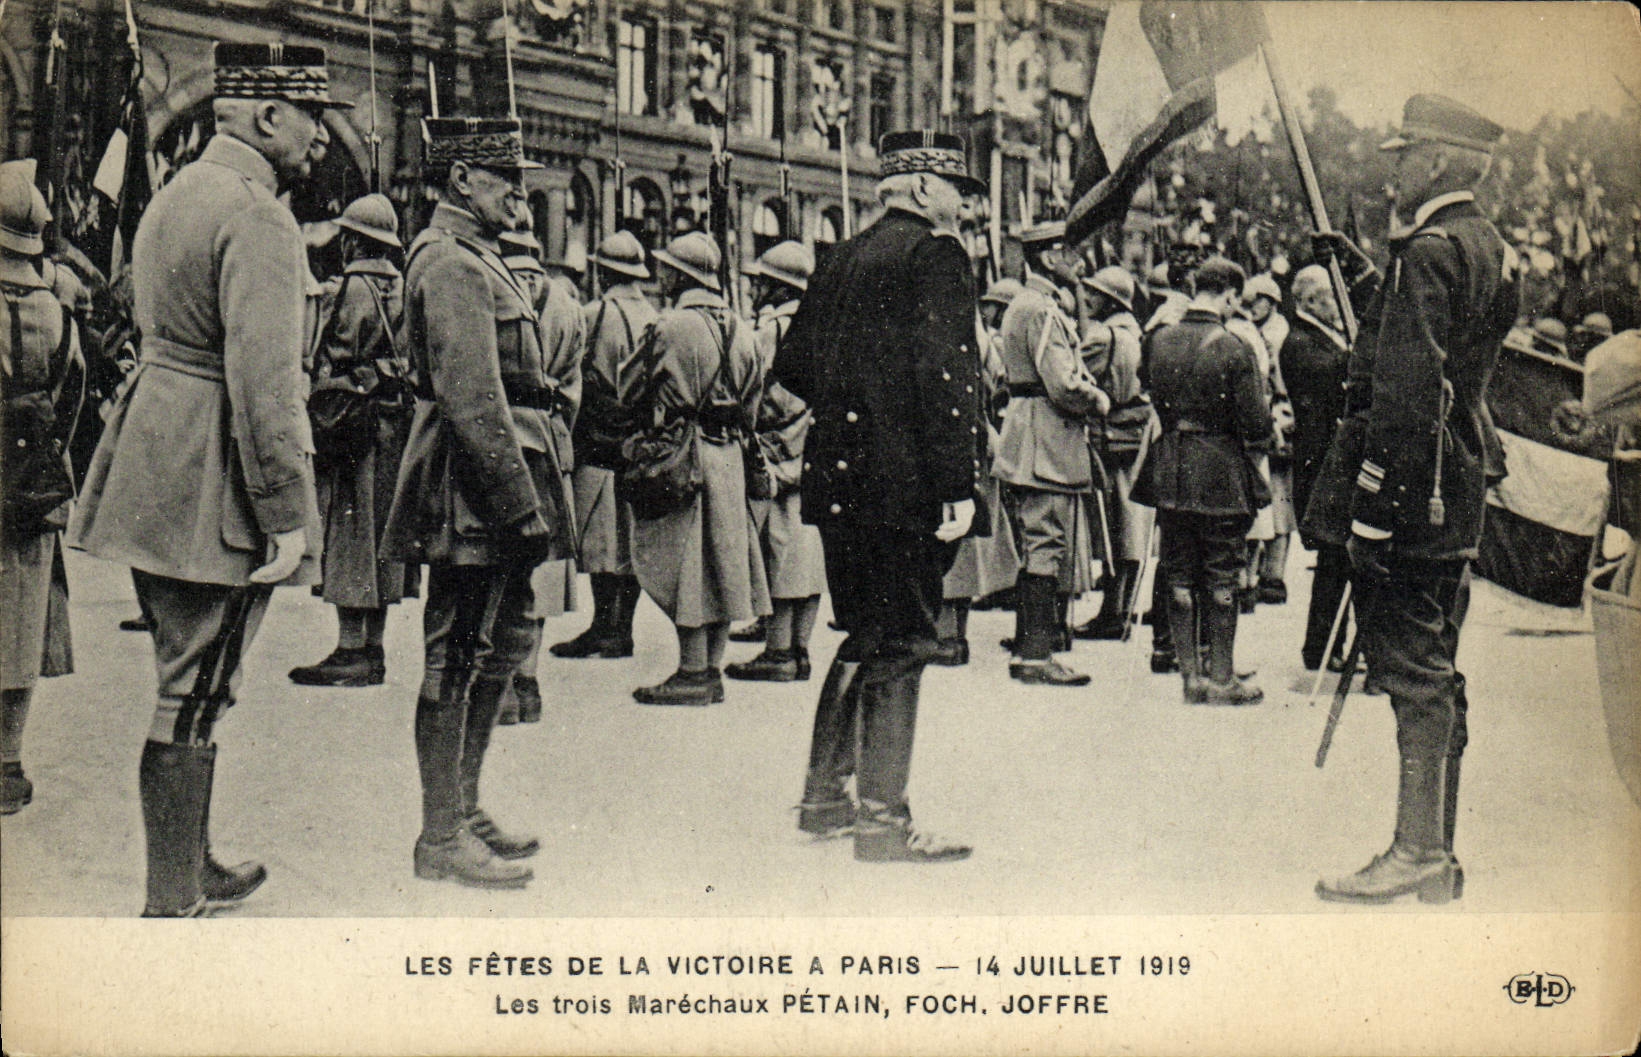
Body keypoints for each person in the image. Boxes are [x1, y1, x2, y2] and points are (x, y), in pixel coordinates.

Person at [69, 43, 346, 915]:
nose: (318, 142)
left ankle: (191, 861)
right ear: (269, 116)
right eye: (309, 120)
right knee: (198, 687)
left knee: (181, 671)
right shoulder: (258, 216)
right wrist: (287, 515)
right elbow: (264, 385)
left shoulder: (176, 194)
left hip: (153, 461)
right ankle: (173, 892)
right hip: (213, 477)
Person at [1306, 95, 1517, 904]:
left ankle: (1416, 848)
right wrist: (1365, 274)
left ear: (1433, 161)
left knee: (1411, 667)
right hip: (1455, 484)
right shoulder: (1481, 244)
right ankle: (1438, 855)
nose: (1391, 167)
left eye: (1402, 154)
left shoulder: (1426, 250)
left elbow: (1405, 387)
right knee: (1436, 665)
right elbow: (1447, 348)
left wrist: (1372, 511)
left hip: (1408, 493)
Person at [776, 129, 983, 861]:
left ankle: (824, 798)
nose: (964, 203)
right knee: (903, 642)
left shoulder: (839, 256)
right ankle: (883, 821)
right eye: (958, 187)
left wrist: (856, 396)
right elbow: (946, 379)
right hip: (904, 487)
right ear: (924, 188)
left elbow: (793, 366)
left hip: (837, 481)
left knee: (863, 631)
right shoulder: (936, 253)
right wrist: (957, 484)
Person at [380, 115, 572, 889]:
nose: (520, 202)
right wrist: (517, 504)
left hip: (492, 480)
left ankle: (462, 807)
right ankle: (440, 834)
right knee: (456, 650)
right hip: (472, 487)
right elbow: (471, 394)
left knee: (498, 640)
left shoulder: (477, 256)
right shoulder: (451, 260)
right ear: (462, 179)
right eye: (507, 183)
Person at [628, 231, 767, 705]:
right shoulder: (744, 330)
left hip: (682, 452)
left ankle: (691, 670)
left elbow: (631, 385)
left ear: (681, 275)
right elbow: (753, 404)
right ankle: (710, 668)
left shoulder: (671, 325)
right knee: (726, 560)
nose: (660, 274)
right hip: (729, 455)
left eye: (667, 267)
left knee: (686, 560)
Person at [288, 193, 413, 688]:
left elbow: (332, 349)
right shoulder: (402, 286)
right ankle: (375, 646)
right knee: (382, 531)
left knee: (349, 531)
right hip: (393, 423)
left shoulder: (349, 289)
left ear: (354, 240)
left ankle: (350, 648)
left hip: (351, 420)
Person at [1142, 255, 1270, 706]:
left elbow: (1152, 396)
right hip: (1219, 474)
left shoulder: (1158, 339)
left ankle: (1190, 681)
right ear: (1231, 296)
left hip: (1171, 469)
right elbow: (1256, 425)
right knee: (1221, 574)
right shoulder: (1235, 348)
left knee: (1178, 574)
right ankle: (1222, 679)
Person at [993, 223, 1110, 687]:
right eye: (1071, 255)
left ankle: (1032, 649)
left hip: (1032, 432)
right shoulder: (1042, 309)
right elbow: (1062, 383)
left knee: (1039, 544)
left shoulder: (1028, 305)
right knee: (1045, 545)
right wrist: (1097, 398)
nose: (1079, 264)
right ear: (1047, 259)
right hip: (1046, 437)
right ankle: (1036, 656)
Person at [1, 160, 83, 815]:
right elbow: (71, 393)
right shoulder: (54, 307)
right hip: (33, 487)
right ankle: (8, 762)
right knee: (23, 624)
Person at [493, 226, 584, 726]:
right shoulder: (567, 303)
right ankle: (528, 680)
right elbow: (572, 389)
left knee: (497, 560)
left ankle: (500, 684)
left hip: (502, 441)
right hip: (550, 441)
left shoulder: (487, 286)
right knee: (543, 563)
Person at [726, 240, 827, 683]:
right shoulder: (827, 326)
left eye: (760, 282)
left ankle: (779, 650)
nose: (754, 290)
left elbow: (755, 392)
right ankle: (800, 649)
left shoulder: (773, 331)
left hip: (780, 446)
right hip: (817, 448)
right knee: (808, 550)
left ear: (776, 287)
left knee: (780, 548)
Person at [553, 231, 655, 660]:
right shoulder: (656, 316)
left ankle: (602, 625)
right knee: (630, 536)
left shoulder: (593, 313)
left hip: (596, 440)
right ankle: (623, 628)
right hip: (640, 442)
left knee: (600, 536)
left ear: (603, 271)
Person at [935, 277, 1022, 664]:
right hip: (978, 437)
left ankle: (945, 636)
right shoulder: (979, 333)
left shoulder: (936, 329)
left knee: (947, 538)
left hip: (950, 442)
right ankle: (956, 635)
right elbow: (1002, 378)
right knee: (969, 542)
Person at [1073, 265, 1151, 641]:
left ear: (1110, 300)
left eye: (1094, 293)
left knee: (1112, 527)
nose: (1087, 298)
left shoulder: (1102, 336)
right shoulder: (1136, 332)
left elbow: (1074, 377)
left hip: (1108, 437)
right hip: (1133, 437)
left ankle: (1113, 612)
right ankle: (1122, 608)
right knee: (1128, 524)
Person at [1284, 264, 1356, 671]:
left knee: (1337, 558)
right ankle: (1323, 646)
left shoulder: (1326, 337)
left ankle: (1326, 645)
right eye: (1331, 295)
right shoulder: (1300, 341)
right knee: (1334, 555)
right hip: (1321, 462)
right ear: (1311, 300)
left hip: (1331, 461)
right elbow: (1322, 375)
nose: (1336, 302)